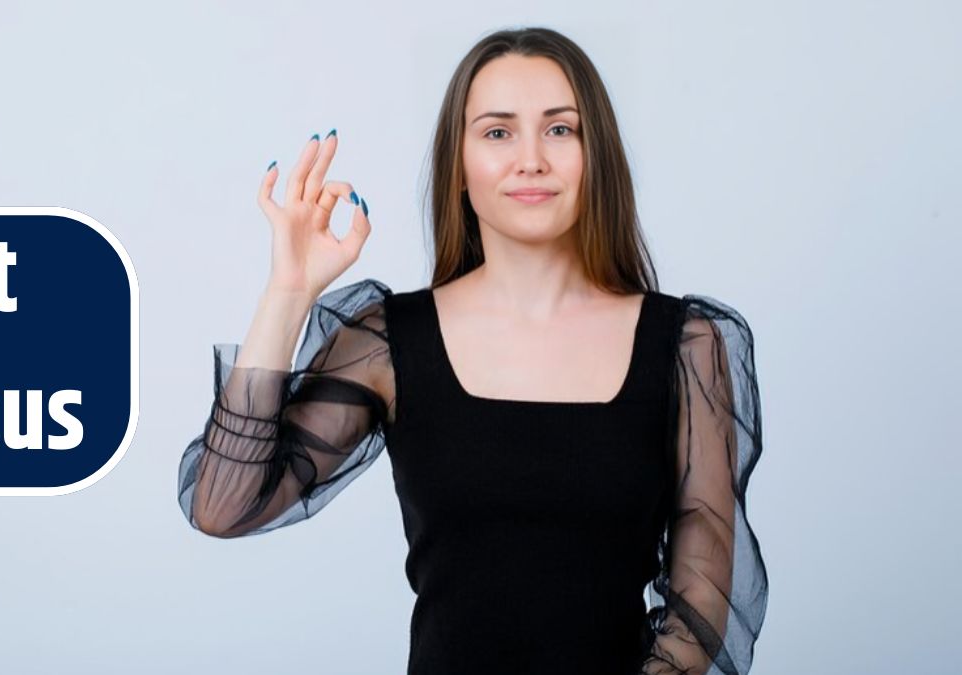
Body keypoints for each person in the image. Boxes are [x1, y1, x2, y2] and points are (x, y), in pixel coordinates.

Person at [177, 26, 768, 675]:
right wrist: (289, 291)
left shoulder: (687, 347)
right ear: (458, 164)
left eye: (560, 129)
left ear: (595, 154)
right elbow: (223, 505)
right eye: (497, 131)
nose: (531, 158)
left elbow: (700, 602)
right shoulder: (389, 342)